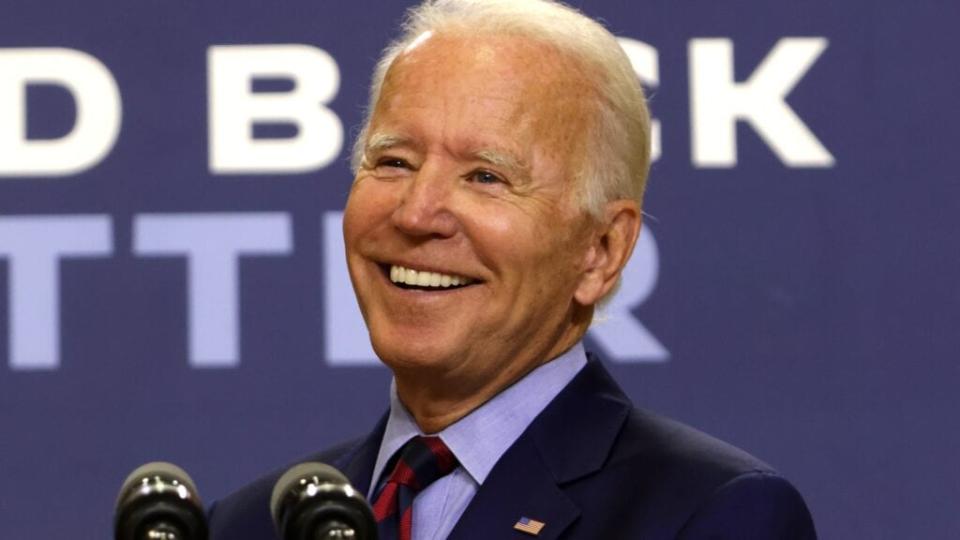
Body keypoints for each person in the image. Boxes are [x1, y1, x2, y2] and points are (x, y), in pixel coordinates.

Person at [208, 0, 817, 538]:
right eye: (393, 161)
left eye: (486, 177)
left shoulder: (710, 515)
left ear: (601, 250)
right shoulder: (247, 525)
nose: (417, 214)